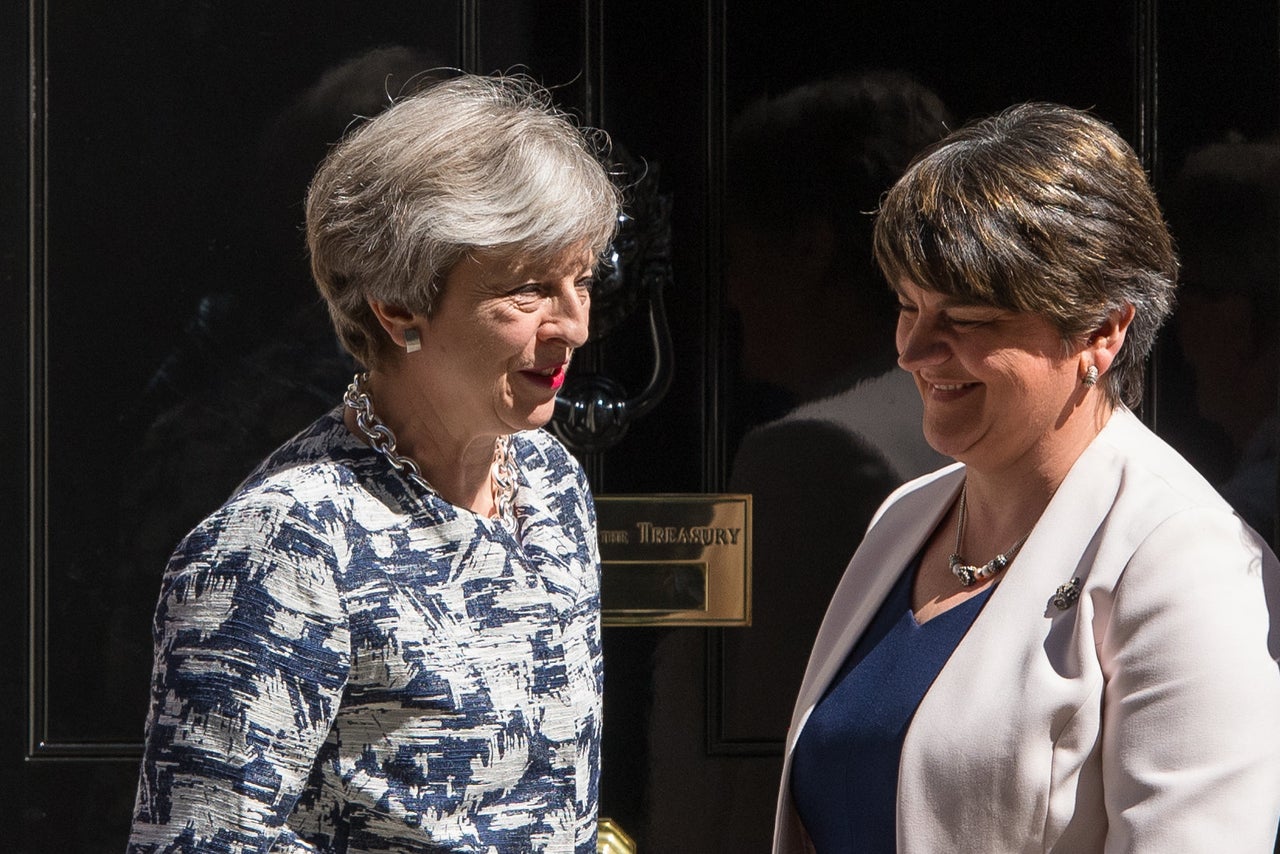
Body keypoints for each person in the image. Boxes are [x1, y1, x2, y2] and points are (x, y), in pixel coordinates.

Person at [127, 73, 620, 853]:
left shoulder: (550, 481)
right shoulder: (285, 542)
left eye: (583, 281)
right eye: (528, 292)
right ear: (398, 308)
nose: (574, 327)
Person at [773, 102, 1280, 852]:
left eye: (967, 318)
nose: (914, 349)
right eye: (908, 307)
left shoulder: (1188, 562)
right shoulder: (903, 519)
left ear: (1103, 330)